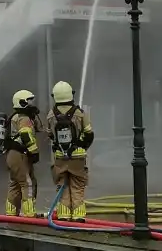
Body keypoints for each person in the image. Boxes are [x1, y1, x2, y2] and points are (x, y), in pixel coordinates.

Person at [46, 81, 94, 221]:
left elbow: (49, 134)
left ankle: (63, 215)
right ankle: (78, 217)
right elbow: (89, 133)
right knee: (78, 186)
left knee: (63, 186)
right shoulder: (79, 113)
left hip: (60, 157)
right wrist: (81, 146)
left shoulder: (50, 115)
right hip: (78, 157)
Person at [5, 90, 41, 217]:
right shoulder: (23, 118)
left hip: (12, 155)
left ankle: (11, 212)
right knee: (27, 183)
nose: (32, 104)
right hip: (19, 155)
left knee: (15, 183)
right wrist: (34, 151)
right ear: (22, 103)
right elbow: (26, 134)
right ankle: (29, 213)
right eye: (29, 101)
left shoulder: (15, 116)